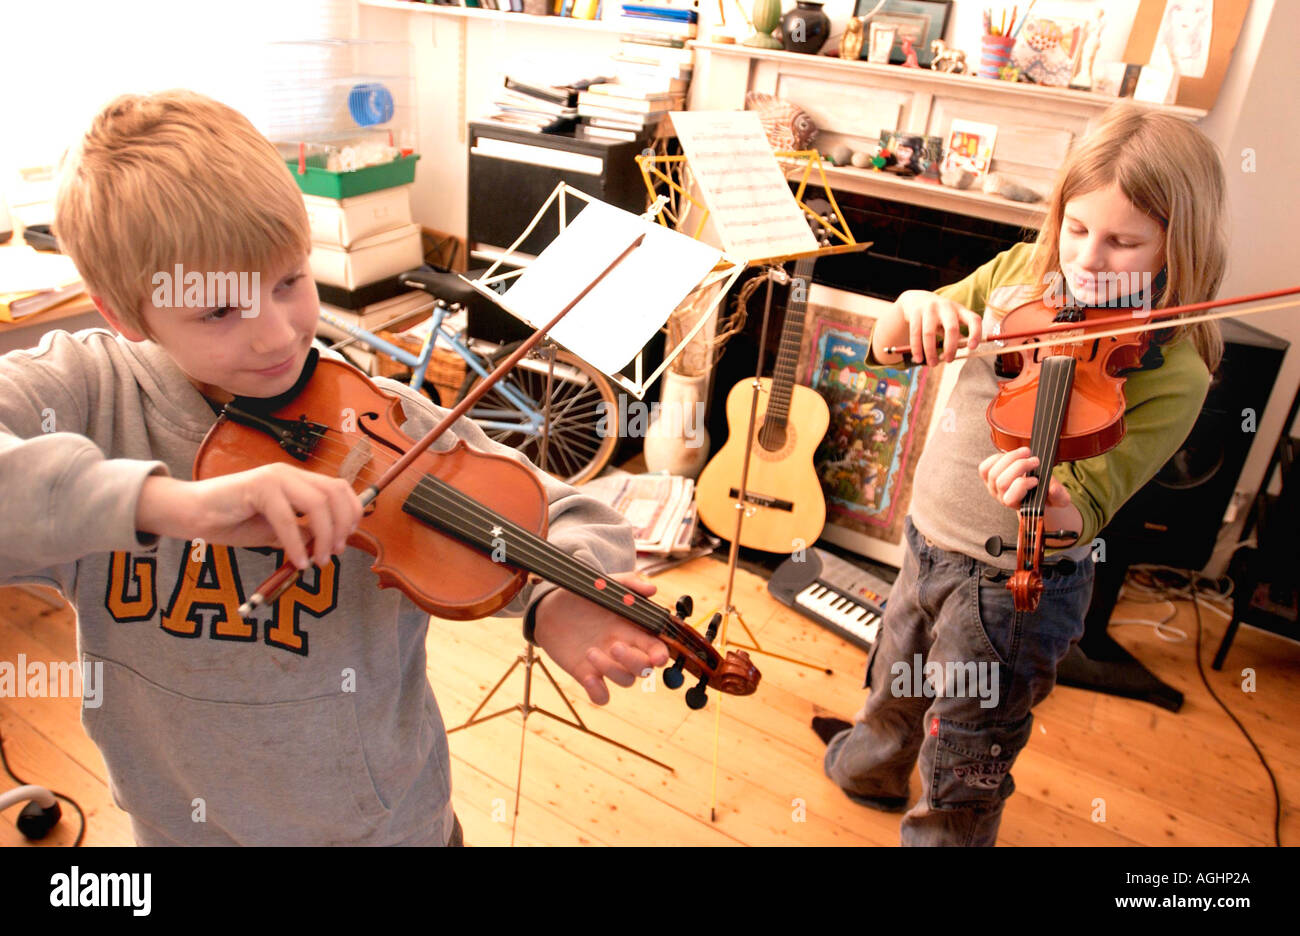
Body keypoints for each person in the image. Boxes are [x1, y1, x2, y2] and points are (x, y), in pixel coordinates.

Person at [0, 90, 670, 846]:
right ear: (124, 315)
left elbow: (568, 515)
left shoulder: (378, 419)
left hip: (386, 831)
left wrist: (559, 591)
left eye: (289, 280)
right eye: (219, 312)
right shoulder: (87, 398)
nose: (277, 335)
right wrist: (170, 507)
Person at [814, 100, 1226, 846]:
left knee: (969, 742)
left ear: (1178, 244)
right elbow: (891, 347)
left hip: (1011, 588)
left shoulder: (1175, 367)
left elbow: (1091, 508)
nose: (1088, 262)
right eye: (1075, 228)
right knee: (893, 681)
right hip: (928, 534)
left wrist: (1053, 498)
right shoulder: (1020, 272)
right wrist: (911, 307)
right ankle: (866, 771)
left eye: (1124, 243)